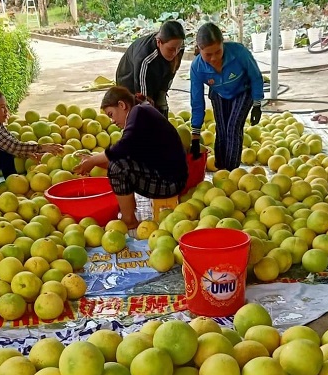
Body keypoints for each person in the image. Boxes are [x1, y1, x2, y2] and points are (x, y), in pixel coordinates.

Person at [74, 86, 188, 230]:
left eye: (111, 114)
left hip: (170, 182)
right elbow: (127, 155)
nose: (112, 121)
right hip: (170, 176)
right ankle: (129, 209)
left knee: (117, 167)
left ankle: (129, 220)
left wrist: (93, 160)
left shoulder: (138, 112)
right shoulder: (141, 111)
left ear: (122, 105)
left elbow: (122, 149)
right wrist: (93, 161)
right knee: (117, 164)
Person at [189, 23, 264, 171]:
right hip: (219, 93)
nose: (214, 58)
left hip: (243, 90)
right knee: (222, 129)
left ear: (223, 44)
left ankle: (231, 171)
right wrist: (195, 136)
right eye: (208, 55)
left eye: (218, 52)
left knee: (233, 128)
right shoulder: (197, 68)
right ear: (199, 49)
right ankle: (221, 167)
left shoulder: (239, 53)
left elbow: (256, 76)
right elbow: (197, 102)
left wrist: (257, 103)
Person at [115, 20, 186, 118]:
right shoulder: (145, 58)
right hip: (129, 79)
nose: (175, 53)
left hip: (154, 74)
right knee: (140, 113)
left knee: (161, 109)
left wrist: (162, 92)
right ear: (159, 42)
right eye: (171, 49)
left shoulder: (178, 48)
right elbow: (142, 98)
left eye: (178, 48)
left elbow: (171, 71)